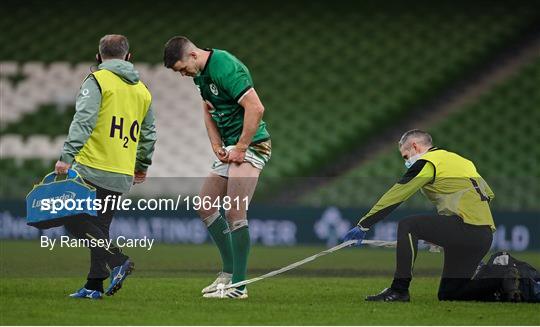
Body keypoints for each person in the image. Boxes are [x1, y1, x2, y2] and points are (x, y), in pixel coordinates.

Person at [342, 129, 519, 302]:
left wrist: (364, 224)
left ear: (415, 146)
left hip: (466, 228)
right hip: (483, 235)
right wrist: (447, 232)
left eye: (405, 156)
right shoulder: (463, 162)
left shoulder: (428, 162)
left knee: (408, 225)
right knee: (450, 294)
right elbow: (488, 195)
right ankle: (501, 282)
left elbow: (397, 194)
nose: (406, 161)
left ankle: (399, 290)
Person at [163, 36, 271, 299]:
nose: (182, 75)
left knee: (235, 211)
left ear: (192, 56)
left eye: (181, 69)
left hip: (252, 145)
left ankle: (239, 287)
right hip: (232, 146)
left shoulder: (223, 65)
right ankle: (228, 274)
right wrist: (215, 143)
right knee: (205, 205)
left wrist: (242, 148)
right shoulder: (200, 74)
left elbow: (256, 108)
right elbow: (207, 107)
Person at [54, 34, 157, 299]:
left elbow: (83, 121)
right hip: (121, 171)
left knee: (72, 219)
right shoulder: (143, 91)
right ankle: (94, 285)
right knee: (99, 228)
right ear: (128, 57)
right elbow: (148, 134)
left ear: (98, 57)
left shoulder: (98, 80)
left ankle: (117, 261)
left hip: (92, 167)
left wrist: (66, 156)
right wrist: (141, 165)